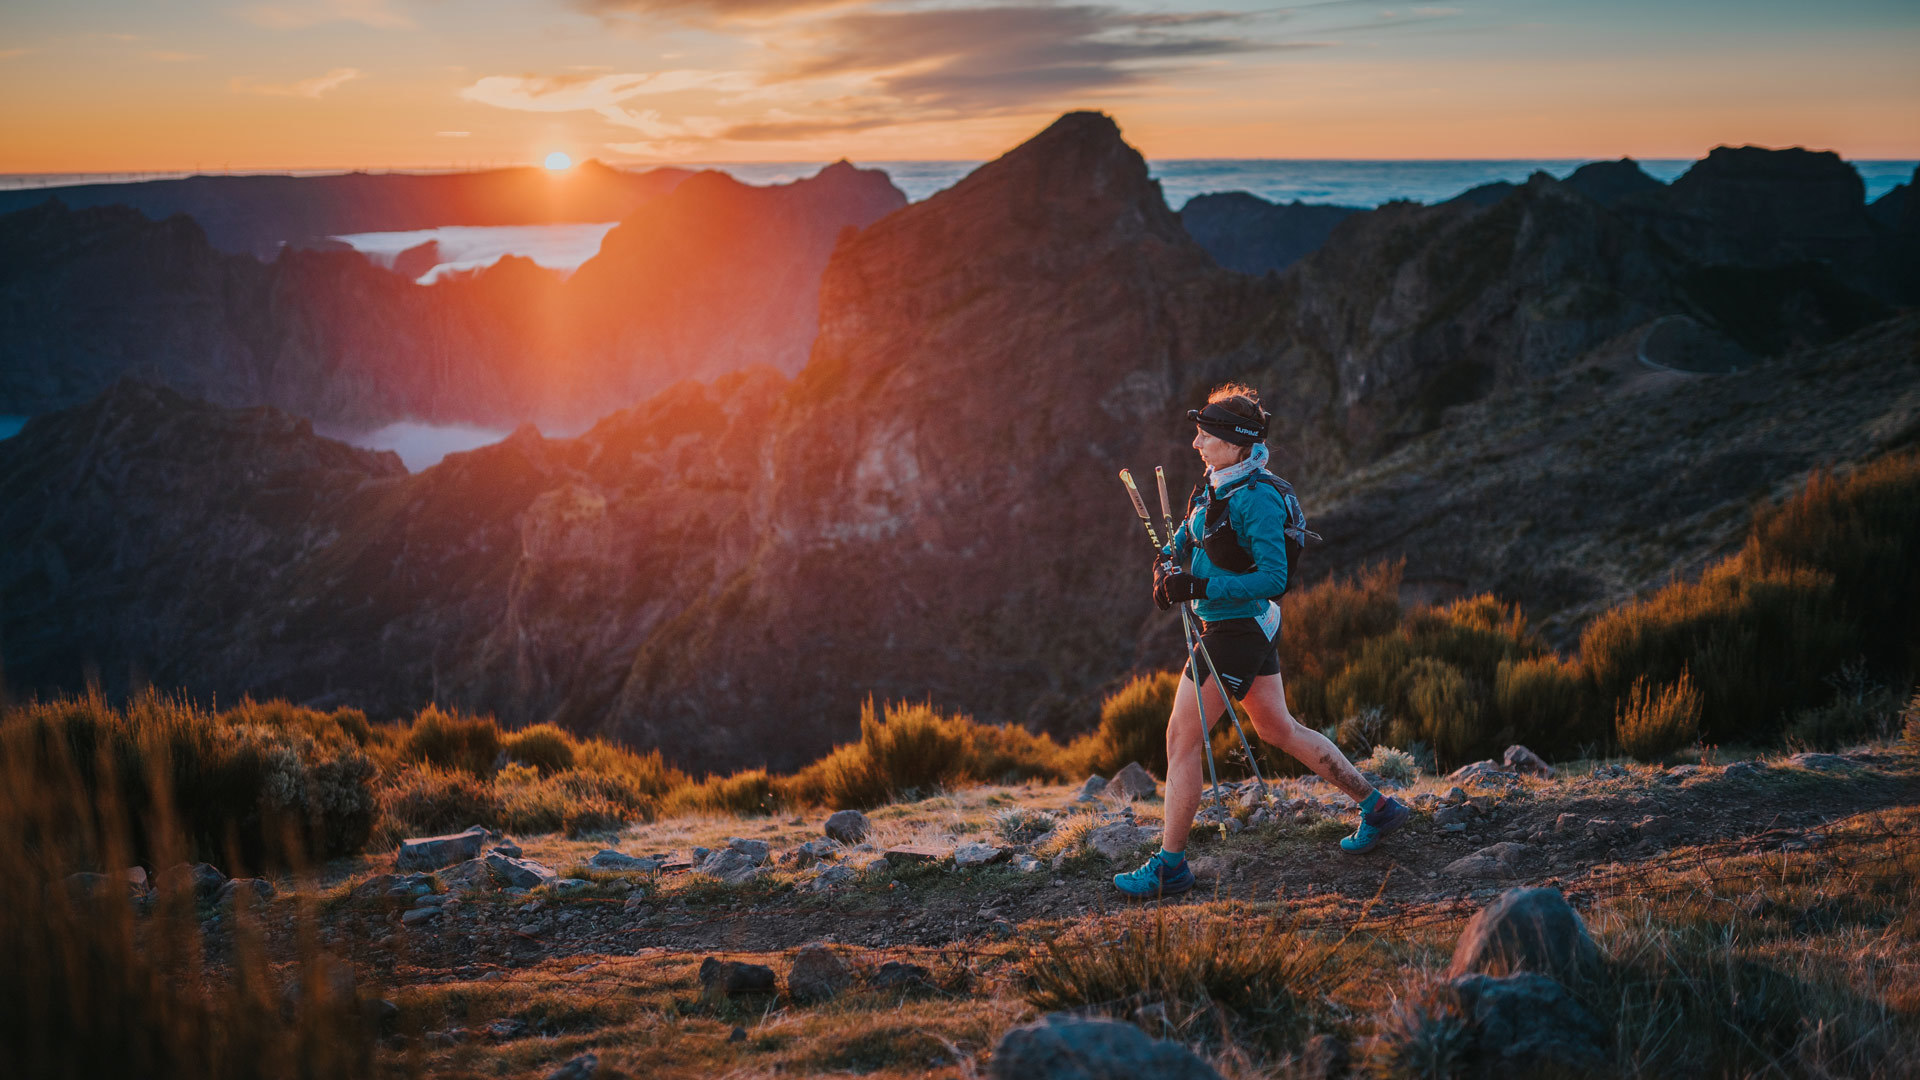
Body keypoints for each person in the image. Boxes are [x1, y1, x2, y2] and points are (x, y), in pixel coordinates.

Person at [1113, 384, 1410, 898]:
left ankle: (1171, 866)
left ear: (1236, 443)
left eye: (1205, 435)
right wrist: (1169, 561)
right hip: (1235, 625)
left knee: (1180, 740)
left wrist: (1199, 586)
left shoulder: (1259, 499)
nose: (1196, 444)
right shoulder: (1216, 483)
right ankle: (1378, 807)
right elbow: (1189, 533)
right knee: (1278, 728)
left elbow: (1275, 579)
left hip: (1239, 629)